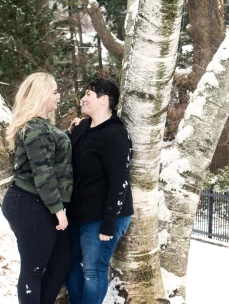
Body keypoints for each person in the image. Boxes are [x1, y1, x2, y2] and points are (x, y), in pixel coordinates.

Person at [2, 72, 73, 304]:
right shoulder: (34, 129)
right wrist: (58, 210)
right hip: (29, 203)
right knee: (33, 269)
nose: (58, 96)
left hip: (39, 203)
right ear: (41, 95)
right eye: (54, 92)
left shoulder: (42, 127)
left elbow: (51, 156)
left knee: (62, 261)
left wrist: (68, 134)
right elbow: (43, 173)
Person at [64, 78, 133, 304]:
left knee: (94, 270)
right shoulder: (82, 127)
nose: (83, 98)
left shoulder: (115, 135)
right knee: (67, 263)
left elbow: (120, 180)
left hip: (104, 216)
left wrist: (109, 222)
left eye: (88, 95)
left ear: (104, 100)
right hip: (79, 213)